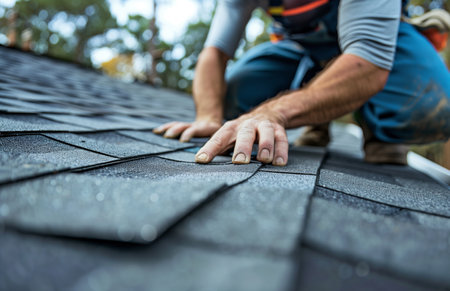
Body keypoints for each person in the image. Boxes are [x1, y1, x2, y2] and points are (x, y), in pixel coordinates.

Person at [154, 0, 450, 166]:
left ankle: (378, 127)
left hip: (379, 47)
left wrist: (272, 113)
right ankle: (315, 102)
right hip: (306, 49)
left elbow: (368, 62)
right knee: (230, 97)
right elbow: (213, 54)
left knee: (434, 107)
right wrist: (208, 115)